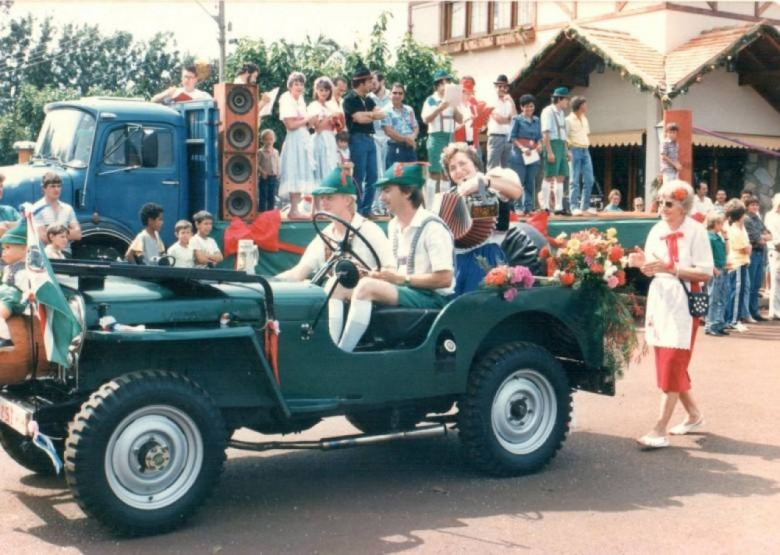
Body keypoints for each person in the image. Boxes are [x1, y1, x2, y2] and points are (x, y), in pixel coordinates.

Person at [336, 163, 455, 352]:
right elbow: (396, 270)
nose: (381, 197)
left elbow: (444, 279)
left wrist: (400, 278)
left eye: (387, 191)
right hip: (407, 291)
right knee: (339, 285)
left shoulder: (433, 227)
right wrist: (377, 274)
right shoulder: (393, 226)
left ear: (407, 192)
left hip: (432, 298)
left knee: (366, 288)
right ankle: (332, 347)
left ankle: (343, 352)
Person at [631, 180, 712, 449]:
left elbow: (705, 272)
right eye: (660, 202)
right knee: (668, 361)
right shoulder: (655, 230)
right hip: (661, 300)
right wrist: (643, 265)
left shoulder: (697, 231)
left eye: (669, 203)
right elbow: (652, 268)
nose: (662, 208)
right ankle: (694, 415)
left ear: (683, 206)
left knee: (673, 362)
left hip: (684, 301)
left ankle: (659, 428)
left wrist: (672, 267)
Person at [276, 167, 394, 343]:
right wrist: (271, 283)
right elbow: (300, 271)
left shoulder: (369, 230)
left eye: (329, 197)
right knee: (312, 287)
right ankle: (329, 345)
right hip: (340, 298)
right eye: (322, 197)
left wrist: (370, 277)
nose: (323, 202)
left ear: (347, 200)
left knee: (333, 284)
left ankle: (340, 350)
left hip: (371, 298)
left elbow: (390, 269)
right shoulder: (326, 235)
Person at [441, 143, 522, 296]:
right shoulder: (448, 197)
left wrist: (484, 182)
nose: (458, 170)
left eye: (463, 163)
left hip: (487, 256)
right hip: (457, 262)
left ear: (475, 165)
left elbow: (517, 192)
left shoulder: (491, 184)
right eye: (452, 168)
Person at [343, 67, 385, 218]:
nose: (371, 84)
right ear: (361, 83)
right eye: (369, 81)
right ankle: (358, 210)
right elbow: (358, 119)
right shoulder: (349, 99)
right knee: (358, 176)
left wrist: (368, 115)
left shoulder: (369, 99)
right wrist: (371, 115)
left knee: (373, 175)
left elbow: (381, 114)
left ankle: (366, 209)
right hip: (357, 138)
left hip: (369, 138)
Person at [421, 70, 462, 209]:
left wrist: (454, 106)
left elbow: (460, 119)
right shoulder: (431, 100)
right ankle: (431, 206)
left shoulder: (452, 100)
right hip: (436, 137)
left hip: (449, 138)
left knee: (446, 172)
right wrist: (440, 108)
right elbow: (426, 119)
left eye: (447, 82)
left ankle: (444, 206)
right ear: (437, 86)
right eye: (442, 83)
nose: (445, 85)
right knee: (434, 173)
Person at [278, 71, 316, 220]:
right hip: (294, 139)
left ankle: (296, 209)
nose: (299, 87)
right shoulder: (285, 99)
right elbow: (290, 124)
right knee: (294, 171)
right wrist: (306, 119)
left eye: (301, 84)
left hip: (303, 139)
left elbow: (304, 124)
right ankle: (293, 210)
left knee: (301, 171)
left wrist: (311, 121)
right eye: (296, 84)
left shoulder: (301, 100)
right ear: (290, 86)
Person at [31, 172, 82, 255]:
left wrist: (52, 234)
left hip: (65, 253)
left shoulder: (68, 208)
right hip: (45, 254)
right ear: (44, 188)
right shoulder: (37, 209)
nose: (56, 189)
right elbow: (43, 237)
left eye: (59, 186)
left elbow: (78, 234)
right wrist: (65, 235)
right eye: (52, 186)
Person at [509, 94, 542, 215]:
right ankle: (517, 207)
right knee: (519, 181)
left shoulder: (537, 120)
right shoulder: (516, 120)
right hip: (519, 154)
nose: (529, 109)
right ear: (521, 107)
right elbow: (512, 137)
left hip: (533, 154)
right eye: (526, 107)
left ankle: (528, 207)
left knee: (530, 181)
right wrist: (522, 148)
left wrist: (539, 145)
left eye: (531, 106)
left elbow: (539, 137)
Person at [0, 220, 30, 351]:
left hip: (13, 300)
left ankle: (5, 339)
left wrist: (29, 296)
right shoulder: (8, 268)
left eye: (8, 248)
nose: (3, 252)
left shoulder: (25, 271)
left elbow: (27, 290)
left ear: (25, 248)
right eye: (3, 249)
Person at [540, 87, 570, 215]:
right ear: (560, 99)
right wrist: (549, 151)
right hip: (552, 144)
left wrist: (566, 150)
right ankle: (545, 206)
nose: (567, 102)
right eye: (566, 99)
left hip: (561, 144)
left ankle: (558, 207)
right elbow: (545, 133)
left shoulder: (562, 113)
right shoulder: (548, 111)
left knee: (561, 176)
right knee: (548, 176)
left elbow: (564, 134)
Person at [723, 199, 751, 332]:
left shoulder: (739, 228)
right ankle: (734, 320)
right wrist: (748, 247)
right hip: (738, 263)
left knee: (736, 293)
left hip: (740, 263)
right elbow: (747, 249)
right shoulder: (735, 230)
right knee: (736, 293)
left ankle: (732, 319)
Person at [565, 96, 596, 215]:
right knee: (574, 180)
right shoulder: (568, 120)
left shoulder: (584, 118)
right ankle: (573, 206)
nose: (586, 106)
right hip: (574, 149)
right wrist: (567, 151)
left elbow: (587, 134)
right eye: (584, 104)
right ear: (579, 106)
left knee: (589, 179)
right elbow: (565, 137)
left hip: (585, 149)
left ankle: (585, 206)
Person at [307, 77, 340, 183]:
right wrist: (329, 118)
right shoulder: (314, 106)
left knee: (331, 166)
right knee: (322, 168)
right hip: (320, 138)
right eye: (321, 90)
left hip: (330, 138)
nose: (324, 93)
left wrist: (336, 122)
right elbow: (318, 127)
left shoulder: (330, 106)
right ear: (316, 90)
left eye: (326, 90)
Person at [744, 196, 769, 322]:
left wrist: (763, 238)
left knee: (757, 285)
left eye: (756, 205)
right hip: (752, 253)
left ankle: (755, 311)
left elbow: (768, 233)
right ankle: (747, 312)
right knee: (750, 283)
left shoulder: (758, 218)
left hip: (760, 253)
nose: (755, 207)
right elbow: (754, 237)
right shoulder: (746, 219)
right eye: (752, 205)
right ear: (747, 206)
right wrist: (762, 238)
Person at [704, 212, 729, 336]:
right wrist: (713, 268)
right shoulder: (708, 237)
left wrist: (726, 238)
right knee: (713, 298)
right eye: (720, 223)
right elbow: (707, 255)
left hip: (722, 268)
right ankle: (711, 324)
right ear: (714, 223)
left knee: (722, 297)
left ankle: (719, 323)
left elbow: (727, 251)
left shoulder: (718, 237)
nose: (722, 225)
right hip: (715, 269)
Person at [382, 83, 419, 167]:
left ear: (403, 95)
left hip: (410, 148)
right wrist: (406, 139)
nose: (397, 95)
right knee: (394, 179)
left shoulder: (409, 110)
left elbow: (415, 127)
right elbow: (389, 131)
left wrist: (412, 138)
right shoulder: (385, 111)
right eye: (394, 93)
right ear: (389, 94)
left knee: (411, 178)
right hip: (394, 148)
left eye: (400, 93)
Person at [486, 74, 516, 170]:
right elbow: (499, 120)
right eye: (499, 86)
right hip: (495, 137)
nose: (502, 88)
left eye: (504, 86)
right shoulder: (491, 101)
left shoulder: (508, 102)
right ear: (495, 87)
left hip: (508, 138)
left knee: (508, 169)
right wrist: (509, 120)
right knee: (492, 167)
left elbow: (515, 119)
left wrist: (512, 102)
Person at [369, 71, 392, 175]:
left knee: (389, 166)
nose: (371, 86)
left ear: (382, 82)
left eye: (374, 83)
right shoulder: (368, 98)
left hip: (390, 134)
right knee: (376, 169)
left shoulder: (392, 95)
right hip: (374, 135)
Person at [764, 193, 780, 320]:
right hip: (774, 250)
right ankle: (773, 311)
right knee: (775, 280)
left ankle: (778, 309)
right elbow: (772, 234)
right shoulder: (769, 216)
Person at [257, 129, 280, 212]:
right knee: (263, 196)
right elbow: (256, 164)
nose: (269, 141)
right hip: (264, 177)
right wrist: (262, 171)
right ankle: (262, 212)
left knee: (272, 196)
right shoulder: (260, 152)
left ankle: (270, 213)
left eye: (271, 139)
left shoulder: (275, 152)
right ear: (262, 140)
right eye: (266, 139)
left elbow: (277, 163)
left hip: (273, 176)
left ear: (274, 140)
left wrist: (277, 172)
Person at [0, 172, 21, 239]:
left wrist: (7, 224)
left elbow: (25, 225)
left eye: (1, 186)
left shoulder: (10, 211)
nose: (0, 190)